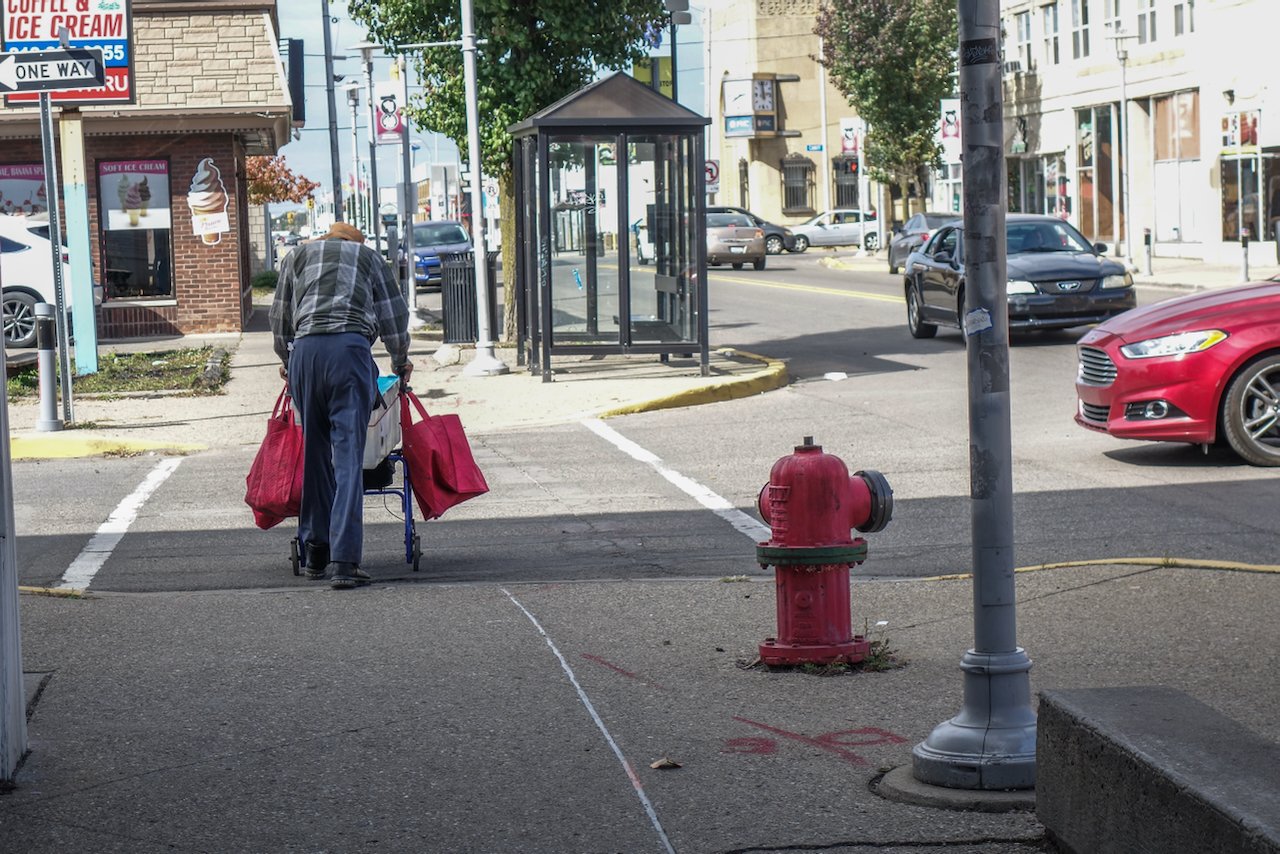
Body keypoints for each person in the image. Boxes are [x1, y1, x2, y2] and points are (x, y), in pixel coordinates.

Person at [269, 222, 413, 589]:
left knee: (314, 454)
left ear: (327, 240)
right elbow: (393, 315)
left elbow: (281, 314)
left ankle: (315, 549)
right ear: (355, 244)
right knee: (347, 457)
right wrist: (400, 361)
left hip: (306, 353)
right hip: (349, 352)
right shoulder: (369, 258)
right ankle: (345, 561)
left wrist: (287, 358)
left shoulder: (296, 256)